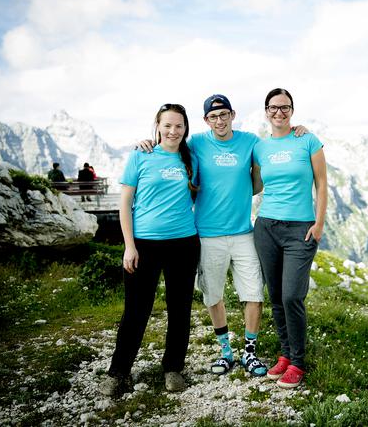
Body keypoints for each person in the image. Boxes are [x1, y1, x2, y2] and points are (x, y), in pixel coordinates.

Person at [138, 95, 308, 378]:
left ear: (232, 115)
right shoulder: (197, 144)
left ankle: (249, 353)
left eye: (224, 114)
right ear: (206, 120)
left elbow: (274, 149)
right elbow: (170, 148)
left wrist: (298, 130)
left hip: (243, 232)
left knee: (253, 293)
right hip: (207, 234)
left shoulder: (250, 141)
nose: (219, 120)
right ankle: (226, 352)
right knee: (213, 294)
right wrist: (148, 143)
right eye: (213, 116)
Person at [99, 103, 200, 397]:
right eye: (167, 125)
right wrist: (129, 246)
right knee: (136, 310)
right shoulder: (141, 155)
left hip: (184, 243)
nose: (173, 131)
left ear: (185, 129)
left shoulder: (190, 157)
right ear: (157, 126)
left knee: (179, 309)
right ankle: (118, 372)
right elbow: (125, 204)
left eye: (179, 126)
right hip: (144, 244)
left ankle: (173, 368)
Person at [253, 88, 327, 389]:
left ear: (292, 110)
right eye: (273, 108)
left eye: (285, 108)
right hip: (267, 227)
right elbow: (254, 184)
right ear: (266, 111)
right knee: (275, 296)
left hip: (301, 229)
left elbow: (322, 185)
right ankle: (285, 354)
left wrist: (319, 224)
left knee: (292, 296)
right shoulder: (260, 148)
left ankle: (298, 361)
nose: (279, 113)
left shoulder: (308, 140)